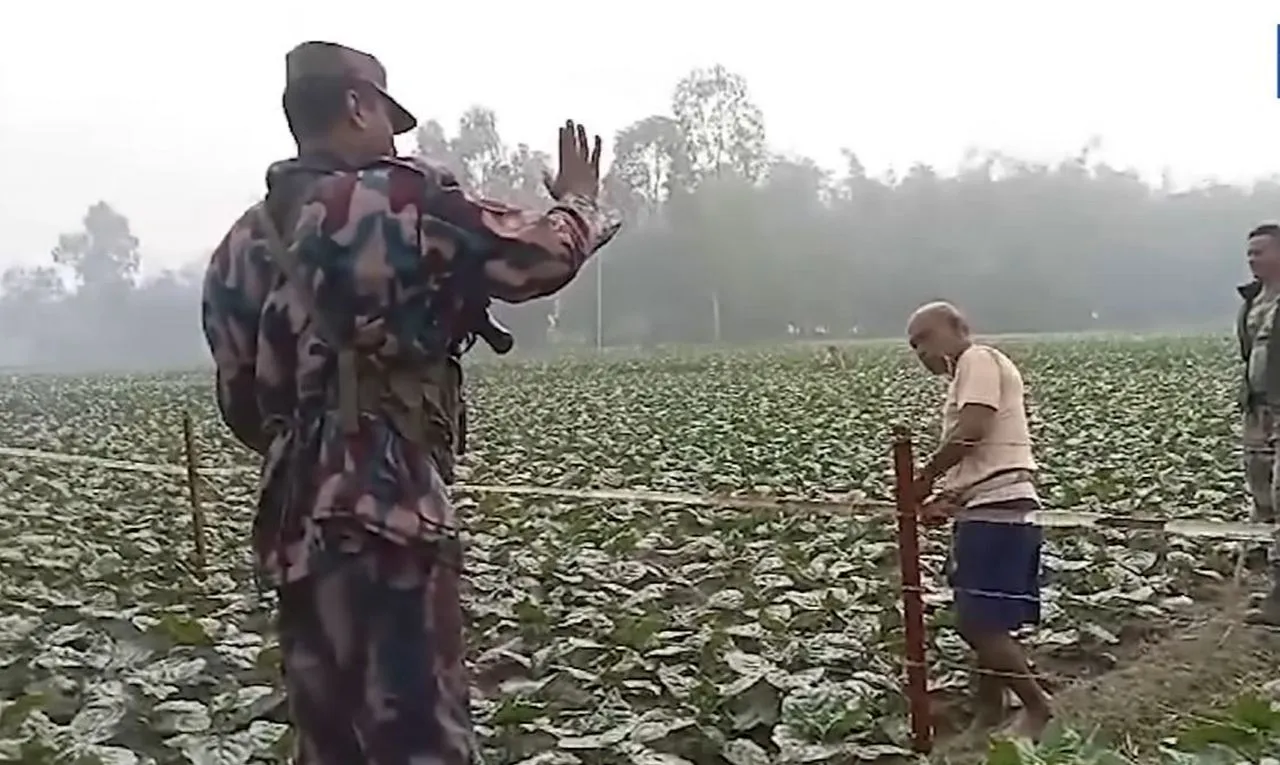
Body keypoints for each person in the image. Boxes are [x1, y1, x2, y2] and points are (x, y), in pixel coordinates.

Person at [200, 41, 619, 764]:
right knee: (421, 739)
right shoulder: (401, 196)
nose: (394, 137)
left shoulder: (240, 245)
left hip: (294, 523)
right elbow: (534, 258)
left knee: (330, 744)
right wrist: (578, 204)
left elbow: (241, 406)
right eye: (386, 117)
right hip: (388, 506)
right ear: (357, 106)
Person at [906, 301, 1053, 741]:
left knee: (978, 622)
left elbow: (974, 427)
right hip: (989, 504)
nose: (922, 352)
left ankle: (1038, 707)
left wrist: (925, 477)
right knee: (989, 616)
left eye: (927, 338)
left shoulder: (977, 359)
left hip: (1000, 509)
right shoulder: (965, 373)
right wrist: (947, 500)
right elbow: (981, 462)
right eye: (914, 346)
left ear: (958, 328)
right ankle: (989, 714)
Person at [1238, 223, 1280, 625]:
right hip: (1258, 411)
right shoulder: (1252, 301)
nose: (1252, 260)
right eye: (1249, 253)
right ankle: (1272, 586)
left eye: (1260, 252)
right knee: (1261, 496)